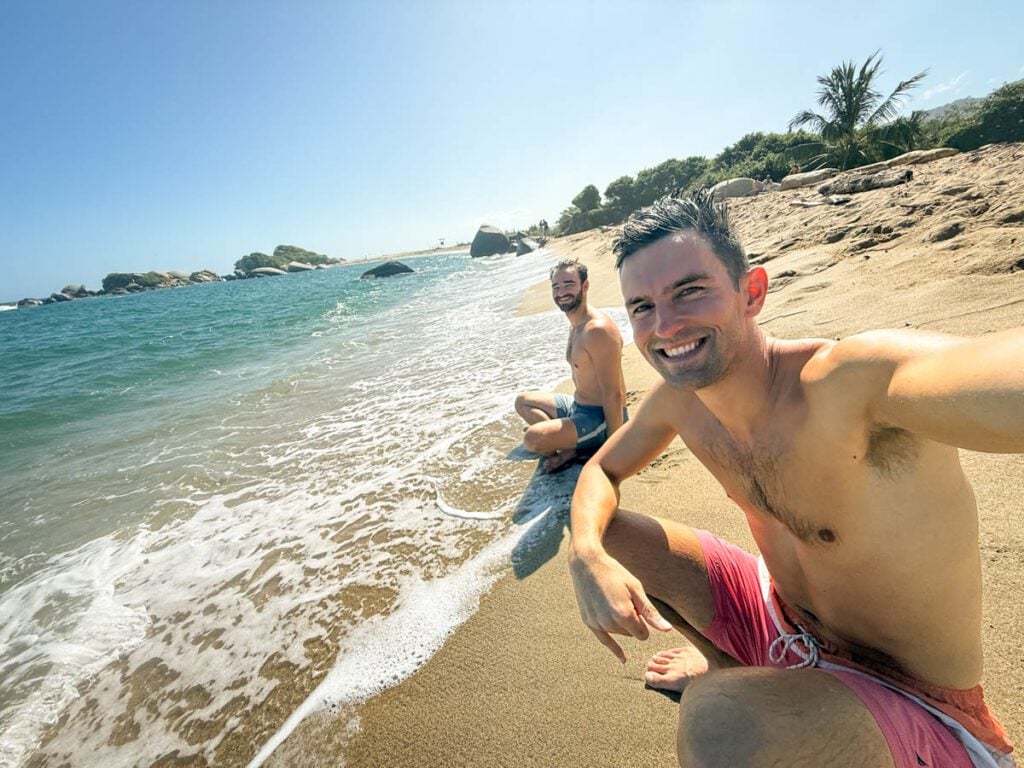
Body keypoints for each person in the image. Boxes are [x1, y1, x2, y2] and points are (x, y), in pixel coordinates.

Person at [567, 192, 1020, 767]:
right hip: (781, 621)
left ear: (751, 292)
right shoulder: (681, 402)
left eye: (689, 291)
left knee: (717, 721)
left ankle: (749, 693)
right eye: (642, 307)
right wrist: (585, 554)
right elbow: (602, 470)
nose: (666, 324)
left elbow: (984, 373)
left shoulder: (850, 383)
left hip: (912, 698)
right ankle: (740, 669)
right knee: (610, 536)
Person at [515, 259, 627, 471]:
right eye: (556, 287)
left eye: (568, 284)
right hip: (576, 406)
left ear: (585, 286)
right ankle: (569, 443)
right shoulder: (576, 323)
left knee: (532, 439)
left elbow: (614, 394)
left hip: (599, 417)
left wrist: (615, 447)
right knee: (523, 402)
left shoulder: (597, 330)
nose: (561, 292)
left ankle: (573, 448)